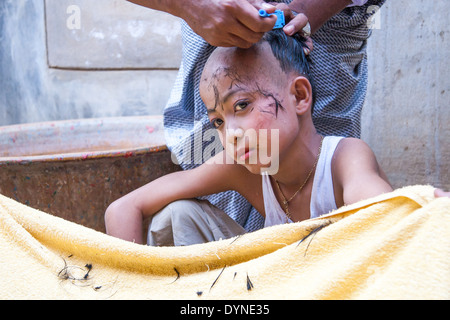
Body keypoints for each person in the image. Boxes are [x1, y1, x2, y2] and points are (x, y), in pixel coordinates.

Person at [105, 30, 395, 245]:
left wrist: (428, 211)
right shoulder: (240, 167)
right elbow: (122, 209)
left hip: (344, 281)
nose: (230, 134)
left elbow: (384, 212)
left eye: (242, 105)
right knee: (177, 216)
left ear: (299, 96)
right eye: (217, 121)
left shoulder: (345, 159)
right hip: (274, 287)